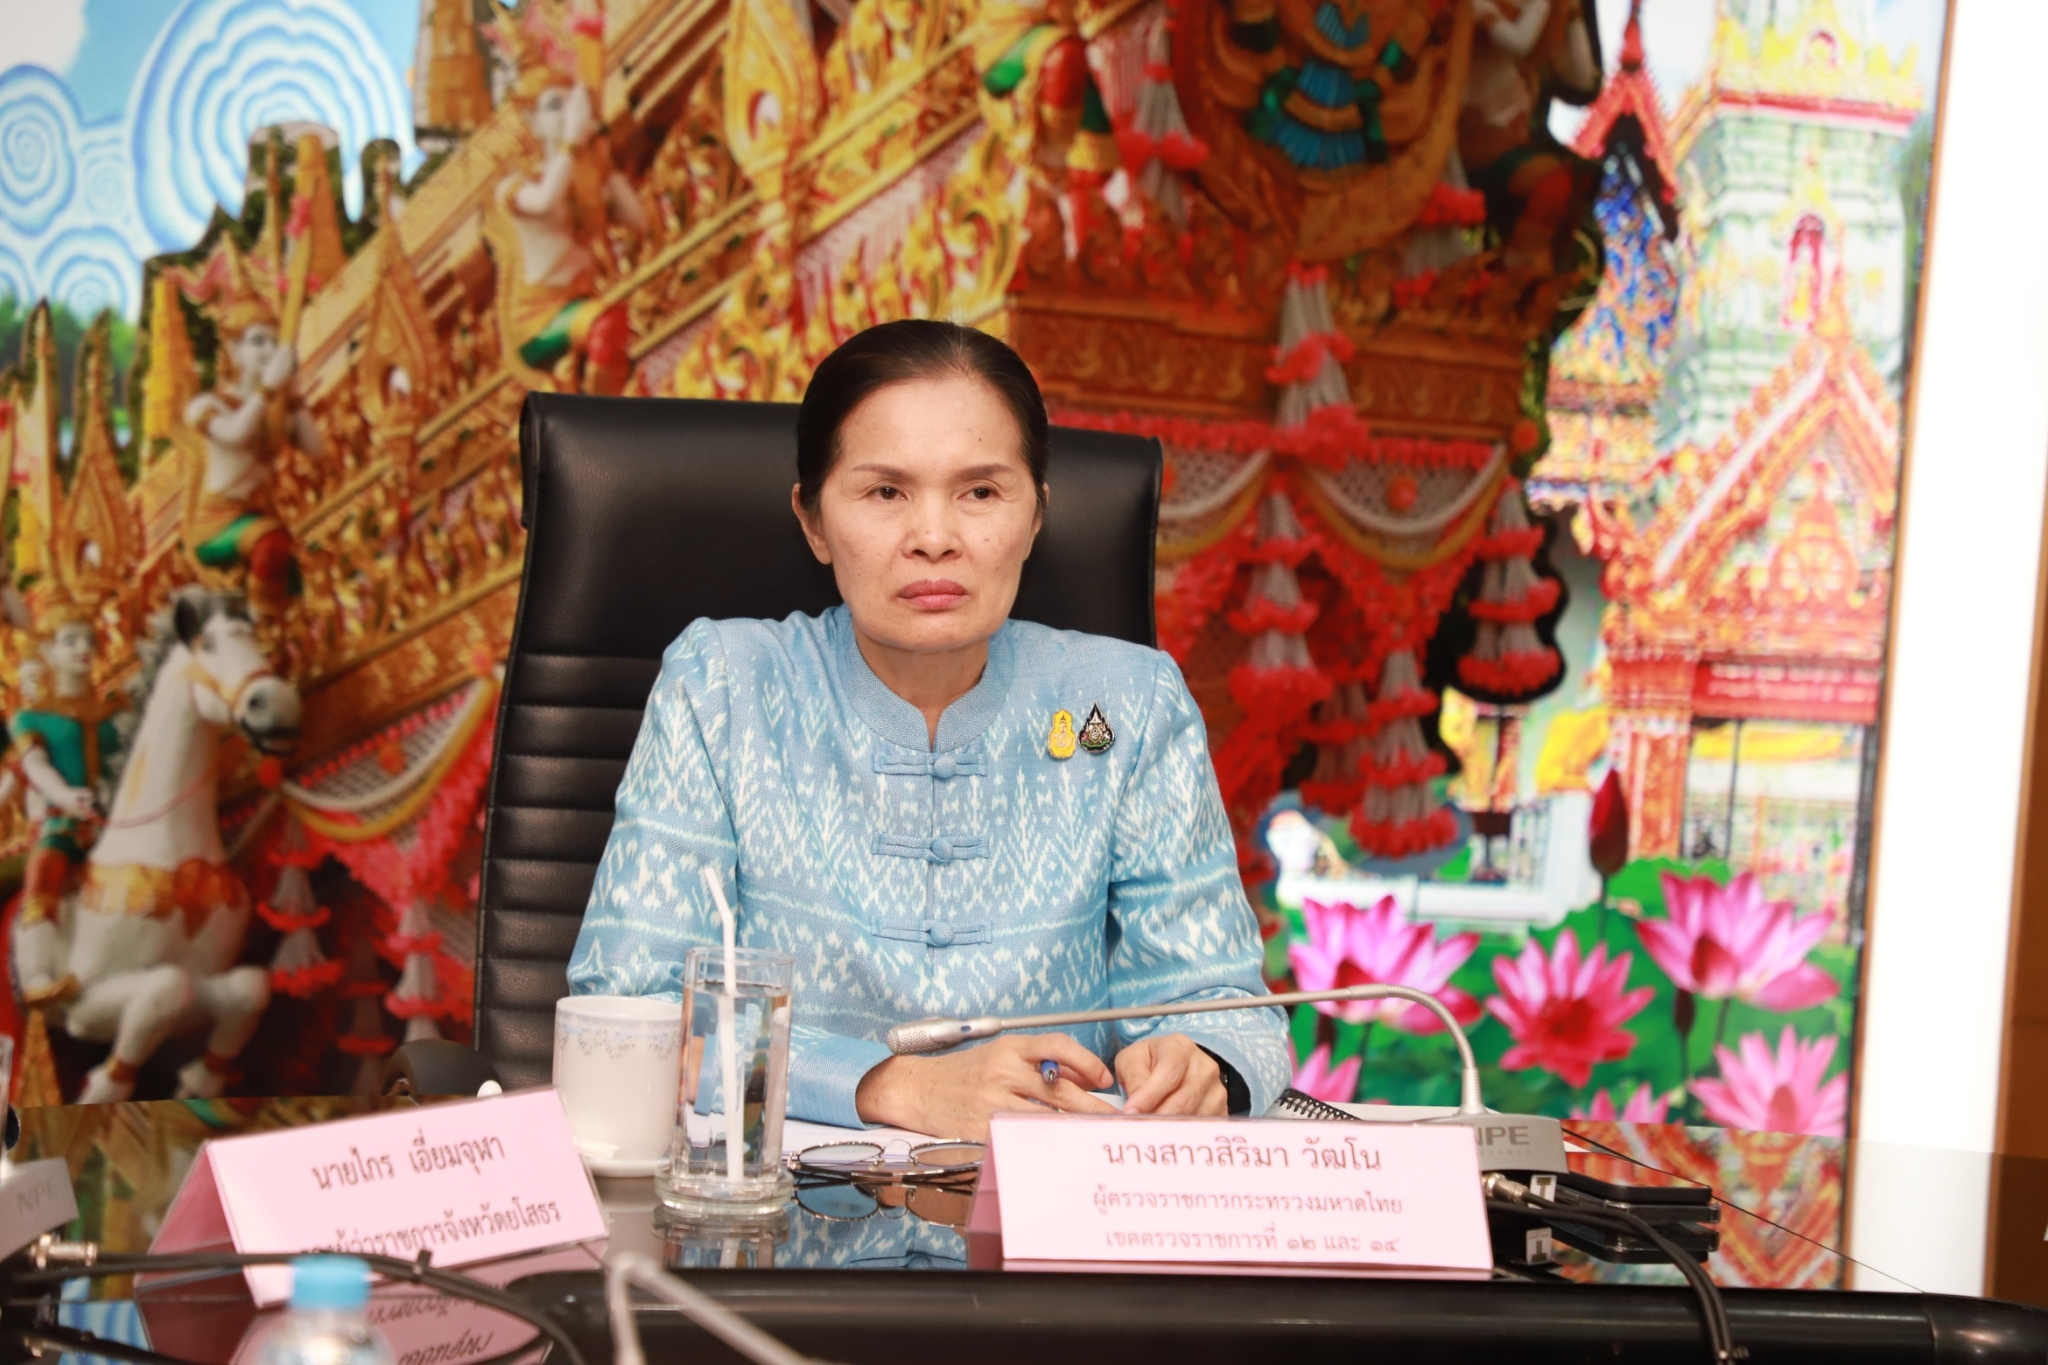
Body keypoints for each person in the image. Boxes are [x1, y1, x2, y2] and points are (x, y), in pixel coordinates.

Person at [571, 320, 1287, 1139]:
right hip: (774, 1243)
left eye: (981, 492)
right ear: (812, 520)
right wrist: (891, 1086)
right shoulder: (725, 687)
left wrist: (1204, 1063)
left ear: (1036, 515)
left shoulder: (1127, 705)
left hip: (1043, 1240)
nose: (936, 537)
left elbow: (1231, 1011)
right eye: (885, 493)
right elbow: (634, 1017)